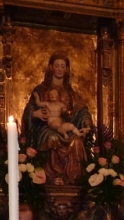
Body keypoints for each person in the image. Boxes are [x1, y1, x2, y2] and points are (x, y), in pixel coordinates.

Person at [21, 52, 93, 185]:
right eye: (57, 66)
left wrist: (86, 124)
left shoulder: (71, 93)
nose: (60, 69)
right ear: (51, 67)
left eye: (63, 66)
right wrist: (35, 113)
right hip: (46, 127)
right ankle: (52, 176)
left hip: (64, 126)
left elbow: (81, 111)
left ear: (66, 69)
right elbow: (30, 108)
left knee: (76, 141)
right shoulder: (41, 89)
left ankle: (72, 179)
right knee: (52, 138)